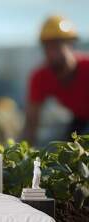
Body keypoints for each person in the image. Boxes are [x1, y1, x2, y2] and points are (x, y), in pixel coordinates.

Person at [23, 15, 89, 145]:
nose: (53, 53)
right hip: (80, 119)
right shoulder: (40, 77)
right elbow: (31, 122)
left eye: (57, 45)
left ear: (71, 44)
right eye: (48, 47)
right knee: (65, 150)